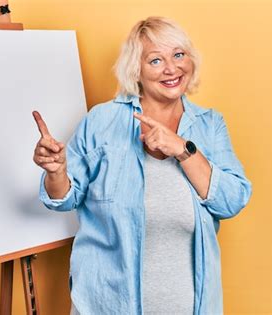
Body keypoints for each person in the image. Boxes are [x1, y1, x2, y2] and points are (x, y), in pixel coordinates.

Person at [32, 16, 252, 315]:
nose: (172, 68)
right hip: (107, 305)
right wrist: (56, 172)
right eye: (156, 60)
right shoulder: (102, 121)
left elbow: (232, 201)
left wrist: (183, 150)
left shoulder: (209, 125)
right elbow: (64, 198)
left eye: (178, 55)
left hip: (189, 306)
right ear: (136, 70)